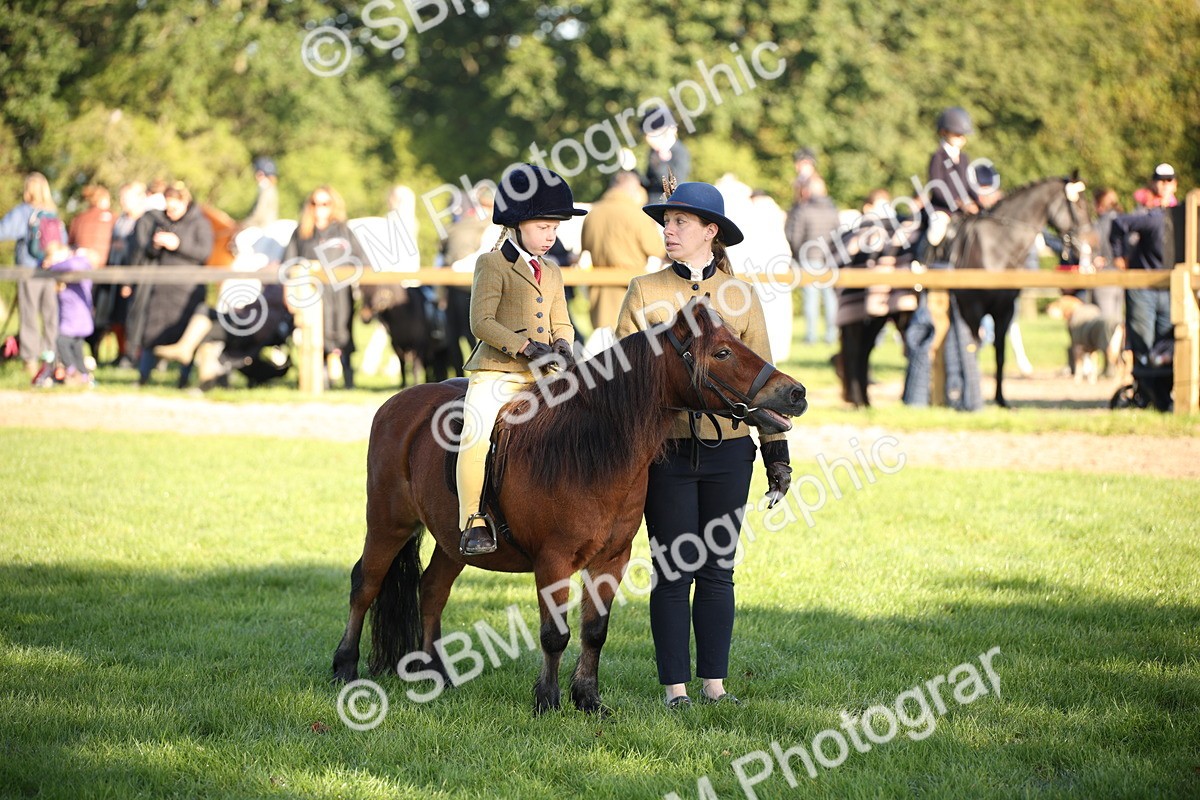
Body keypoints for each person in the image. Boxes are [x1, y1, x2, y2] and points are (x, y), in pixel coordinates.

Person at [615, 181, 792, 708]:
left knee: (718, 569)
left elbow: (763, 379)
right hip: (665, 452)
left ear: (710, 233)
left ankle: (713, 686)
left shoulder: (743, 294)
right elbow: (624, 378)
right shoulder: (643, 290)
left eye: (680, 223)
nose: (668, 230)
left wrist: (776, 452)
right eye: (665, 222)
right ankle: (674, 690)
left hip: (730, 451)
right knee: (672, 570)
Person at [457, 164, 585, 556]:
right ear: (517, 223)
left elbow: (562, 320)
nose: (551, 236)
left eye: (555, 229)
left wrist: (563, 345)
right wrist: (526, 347)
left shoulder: (552, 271)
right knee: (475, 434)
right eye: (544, 227)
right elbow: (481, 322)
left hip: (545, 374)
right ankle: (472, 519)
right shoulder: (492, 264)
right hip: (496, 373)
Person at [126, 181, 213, 386]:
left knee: (185, 334)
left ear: (185, 202)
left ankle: (183, 380)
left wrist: (178, 244)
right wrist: (155, 245)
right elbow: (148, 252)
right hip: (161, 289)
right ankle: (143, 377)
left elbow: (204, 253)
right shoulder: (161, 220)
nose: (170, 210)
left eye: (174, 206)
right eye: (168, 205)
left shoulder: (200, 223)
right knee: (152, 333)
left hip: (187, 290)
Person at [282, 185, 366, 388]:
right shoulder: (302, 233)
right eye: (315, 203)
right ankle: (320, 379)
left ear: (333, 205)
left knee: (343, 333)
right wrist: (289, 292)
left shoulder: (344, 231)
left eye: (325, 203)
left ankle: (348, 380)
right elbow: (288, 265)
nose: (319, 208)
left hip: (340, 293)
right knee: (316, 335)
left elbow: (362, 261)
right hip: (312, 294)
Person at [579, 170, 664, 348]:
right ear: (633, 188)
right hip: (632, 291)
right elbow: (657, 249)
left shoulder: (593, 213)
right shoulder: (637, 214)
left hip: (600, 292)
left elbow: (585, 247)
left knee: (601, 348)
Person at [1110, 163, 1179, 370]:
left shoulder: (1181, 214)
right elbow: (1118, 224)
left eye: (1168, 180)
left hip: (1170, 287)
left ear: (1174, 184)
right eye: (1160, 180)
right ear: (1153, 182)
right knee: (1143, 342)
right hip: (1144, 287)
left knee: (1166, 343)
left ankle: (1162, 395)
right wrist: (1120, 256)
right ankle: (1146, 391)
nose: (1164, 185)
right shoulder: (1147, 214)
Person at [0, 172, 67, 378]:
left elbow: (3, 231)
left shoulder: (23, 212)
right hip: (50, 270)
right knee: (50, 315)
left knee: (29, 315)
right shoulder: (53, 214)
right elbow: (61, 243)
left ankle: (30, 360)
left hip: (29, 269)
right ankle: (52, 358)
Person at [921, 106, 982, 261]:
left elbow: (969, 184)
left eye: (963, 135)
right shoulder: (938, 157)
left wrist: (978, 203)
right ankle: (921, 261)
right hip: (942, 208)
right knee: (937, 230)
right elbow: (936, 187)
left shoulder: (964, 158)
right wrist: (958, 203)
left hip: (962, 209)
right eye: (957, 134)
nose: (961, 138)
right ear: (944, 132)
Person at [785, 176, 840, 345]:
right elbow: (838, 235)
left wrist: (797, 254)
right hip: (829, 259)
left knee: (811, 300)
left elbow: (794, 236)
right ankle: (831, 335)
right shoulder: (833, 210)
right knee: (830, 299)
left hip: (808, 258)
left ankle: (811, 336)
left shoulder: (803, 210)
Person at [40, 241, 97, 387]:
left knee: (61, 342)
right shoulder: (65, 271)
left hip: (77, 319)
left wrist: (53, 267)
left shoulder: (77, 263)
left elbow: (74, 265)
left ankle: (73, 371)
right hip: (72, 319)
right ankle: (84, 376)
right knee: (76, 348)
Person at [641, 106, 691, 197]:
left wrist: (661, 162)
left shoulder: (680, 152)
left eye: (652, 134)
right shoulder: (653, 152)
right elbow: (648, 183)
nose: (648, 139)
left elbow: (674, 186)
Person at [242, 157, 279, 230]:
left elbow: (259, 214)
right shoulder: (271, 188)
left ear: (260, 174)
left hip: (262, 227)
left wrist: (244, 224)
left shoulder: (265, 189)